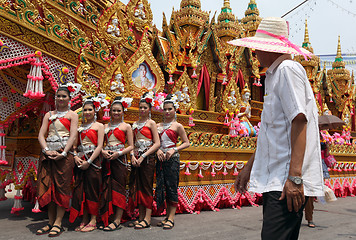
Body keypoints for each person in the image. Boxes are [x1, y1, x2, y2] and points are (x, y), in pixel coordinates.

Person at [229, 17, 324, 240]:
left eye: (257, 47)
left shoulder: (287, 70)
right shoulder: (275, 75)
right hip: (277, 179)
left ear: (269, 48)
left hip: (285, 182)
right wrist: (249, 167)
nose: (254, 53)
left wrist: (295, 178)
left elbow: (299, 121)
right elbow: (271, 134)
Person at [36, 86, 78, 237]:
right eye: (58, 96)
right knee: (48, 187)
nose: (60, 99)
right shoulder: (48, 114)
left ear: (69, 99)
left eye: (63, 96)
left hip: (64, 156)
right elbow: (41, 134)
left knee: (61, 188)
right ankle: (50, 222)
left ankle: (58, 223)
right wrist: (46, 150)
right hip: (48, 154)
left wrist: (64, 152)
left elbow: (73, 135)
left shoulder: (72, 115)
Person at [69, 97, 104, 232]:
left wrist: (89, 162)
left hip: (93, 161)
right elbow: (74, 146)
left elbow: (100, 145)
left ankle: (93, 219)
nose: (87, 112)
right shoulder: (79, 128)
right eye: (85, 110)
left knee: (93, 190)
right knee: (80, 190)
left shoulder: (99, 126)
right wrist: (76, 157)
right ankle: (84, 218)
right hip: (80, 159)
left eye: (90, 109)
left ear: (95, 111)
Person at [156, 94, 190, 230]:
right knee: (161, 186)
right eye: (165, 109)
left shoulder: (178, 126)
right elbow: (155, 142)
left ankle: (171, 217)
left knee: (171, 186)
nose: (167, 111)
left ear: (175, 110)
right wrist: (158, 149)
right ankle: (165, 216)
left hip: (172, 158)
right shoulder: (157, 125)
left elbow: (186, 143)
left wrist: (173, 150)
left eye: (170, 109)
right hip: (160, 158)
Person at [100, 97, 134, 231]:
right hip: (107, 159)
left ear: (123, 111)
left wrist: (119, 154)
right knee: (106, 188)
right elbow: (100, 145)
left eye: (118, 110)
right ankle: (107, 216)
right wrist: (103, 151)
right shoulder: (105, 126)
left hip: (120, 160)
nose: (116, 113)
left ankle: (118, 219)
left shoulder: (126, 126)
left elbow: (131, 146)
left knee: (119, 189)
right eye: (114, 110)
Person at [128, 92, 160, 229]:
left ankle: (147, 217)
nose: (142, 110)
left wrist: (143, 156)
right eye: (140, 107)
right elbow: (132, 144)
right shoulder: (134, 124)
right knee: (138, 186)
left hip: (147, 159)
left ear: (149, 109)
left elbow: (157, 143)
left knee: (146, 187)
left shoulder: (151, 123)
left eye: (145, 108)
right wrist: (132, 156)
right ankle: (140, 216)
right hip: (136, 158)